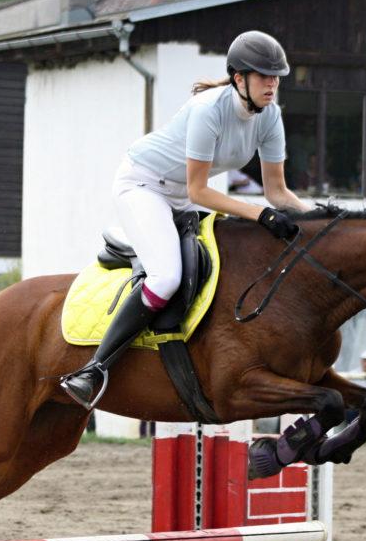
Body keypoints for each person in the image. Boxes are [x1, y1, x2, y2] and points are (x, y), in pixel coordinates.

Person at [60, 31, 311, 409]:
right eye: (264, 76)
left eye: (276, 77)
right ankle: (93, 370)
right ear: (239, 78)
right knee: (166, 278)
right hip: (142, 185)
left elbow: (277, 193)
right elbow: (200, 191)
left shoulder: (270, 116)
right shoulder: (209, 109)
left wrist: (323, 220)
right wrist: (260, 215)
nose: (272, 84)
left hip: (178, 197)